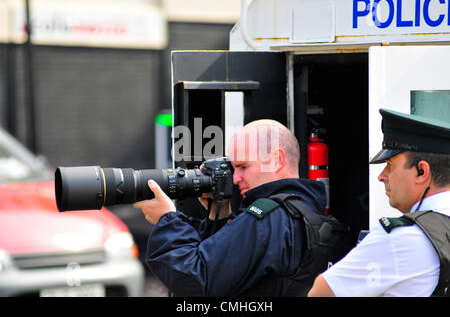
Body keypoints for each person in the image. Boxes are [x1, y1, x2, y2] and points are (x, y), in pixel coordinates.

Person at [133, 119, 328, 296]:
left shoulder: (267, 218)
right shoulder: (306, 212)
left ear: (277, 159)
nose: (235, 179)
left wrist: (167, 219)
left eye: (243, 167)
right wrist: (218, 218)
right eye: (233, 169)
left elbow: (196, 282)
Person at [308, 109, 450, 297]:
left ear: (421, 172)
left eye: (390, 166)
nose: (381, 176)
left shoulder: (402, 238)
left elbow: (322, 292)